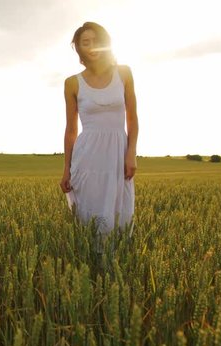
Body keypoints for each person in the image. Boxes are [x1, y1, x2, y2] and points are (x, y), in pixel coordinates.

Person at [59, 22, 138, 254]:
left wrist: (131, 152)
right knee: (90, 213)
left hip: (117, 153)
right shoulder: (72, 83)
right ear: (79, 49)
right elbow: (71, 129)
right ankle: (90, 266)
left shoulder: (123, 73)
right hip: (87, 157)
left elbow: (132, 118)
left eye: (96, 40)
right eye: (85, 42)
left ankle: (116, 268)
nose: (91, 46)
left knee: (120, 214)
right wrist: (66, 169)